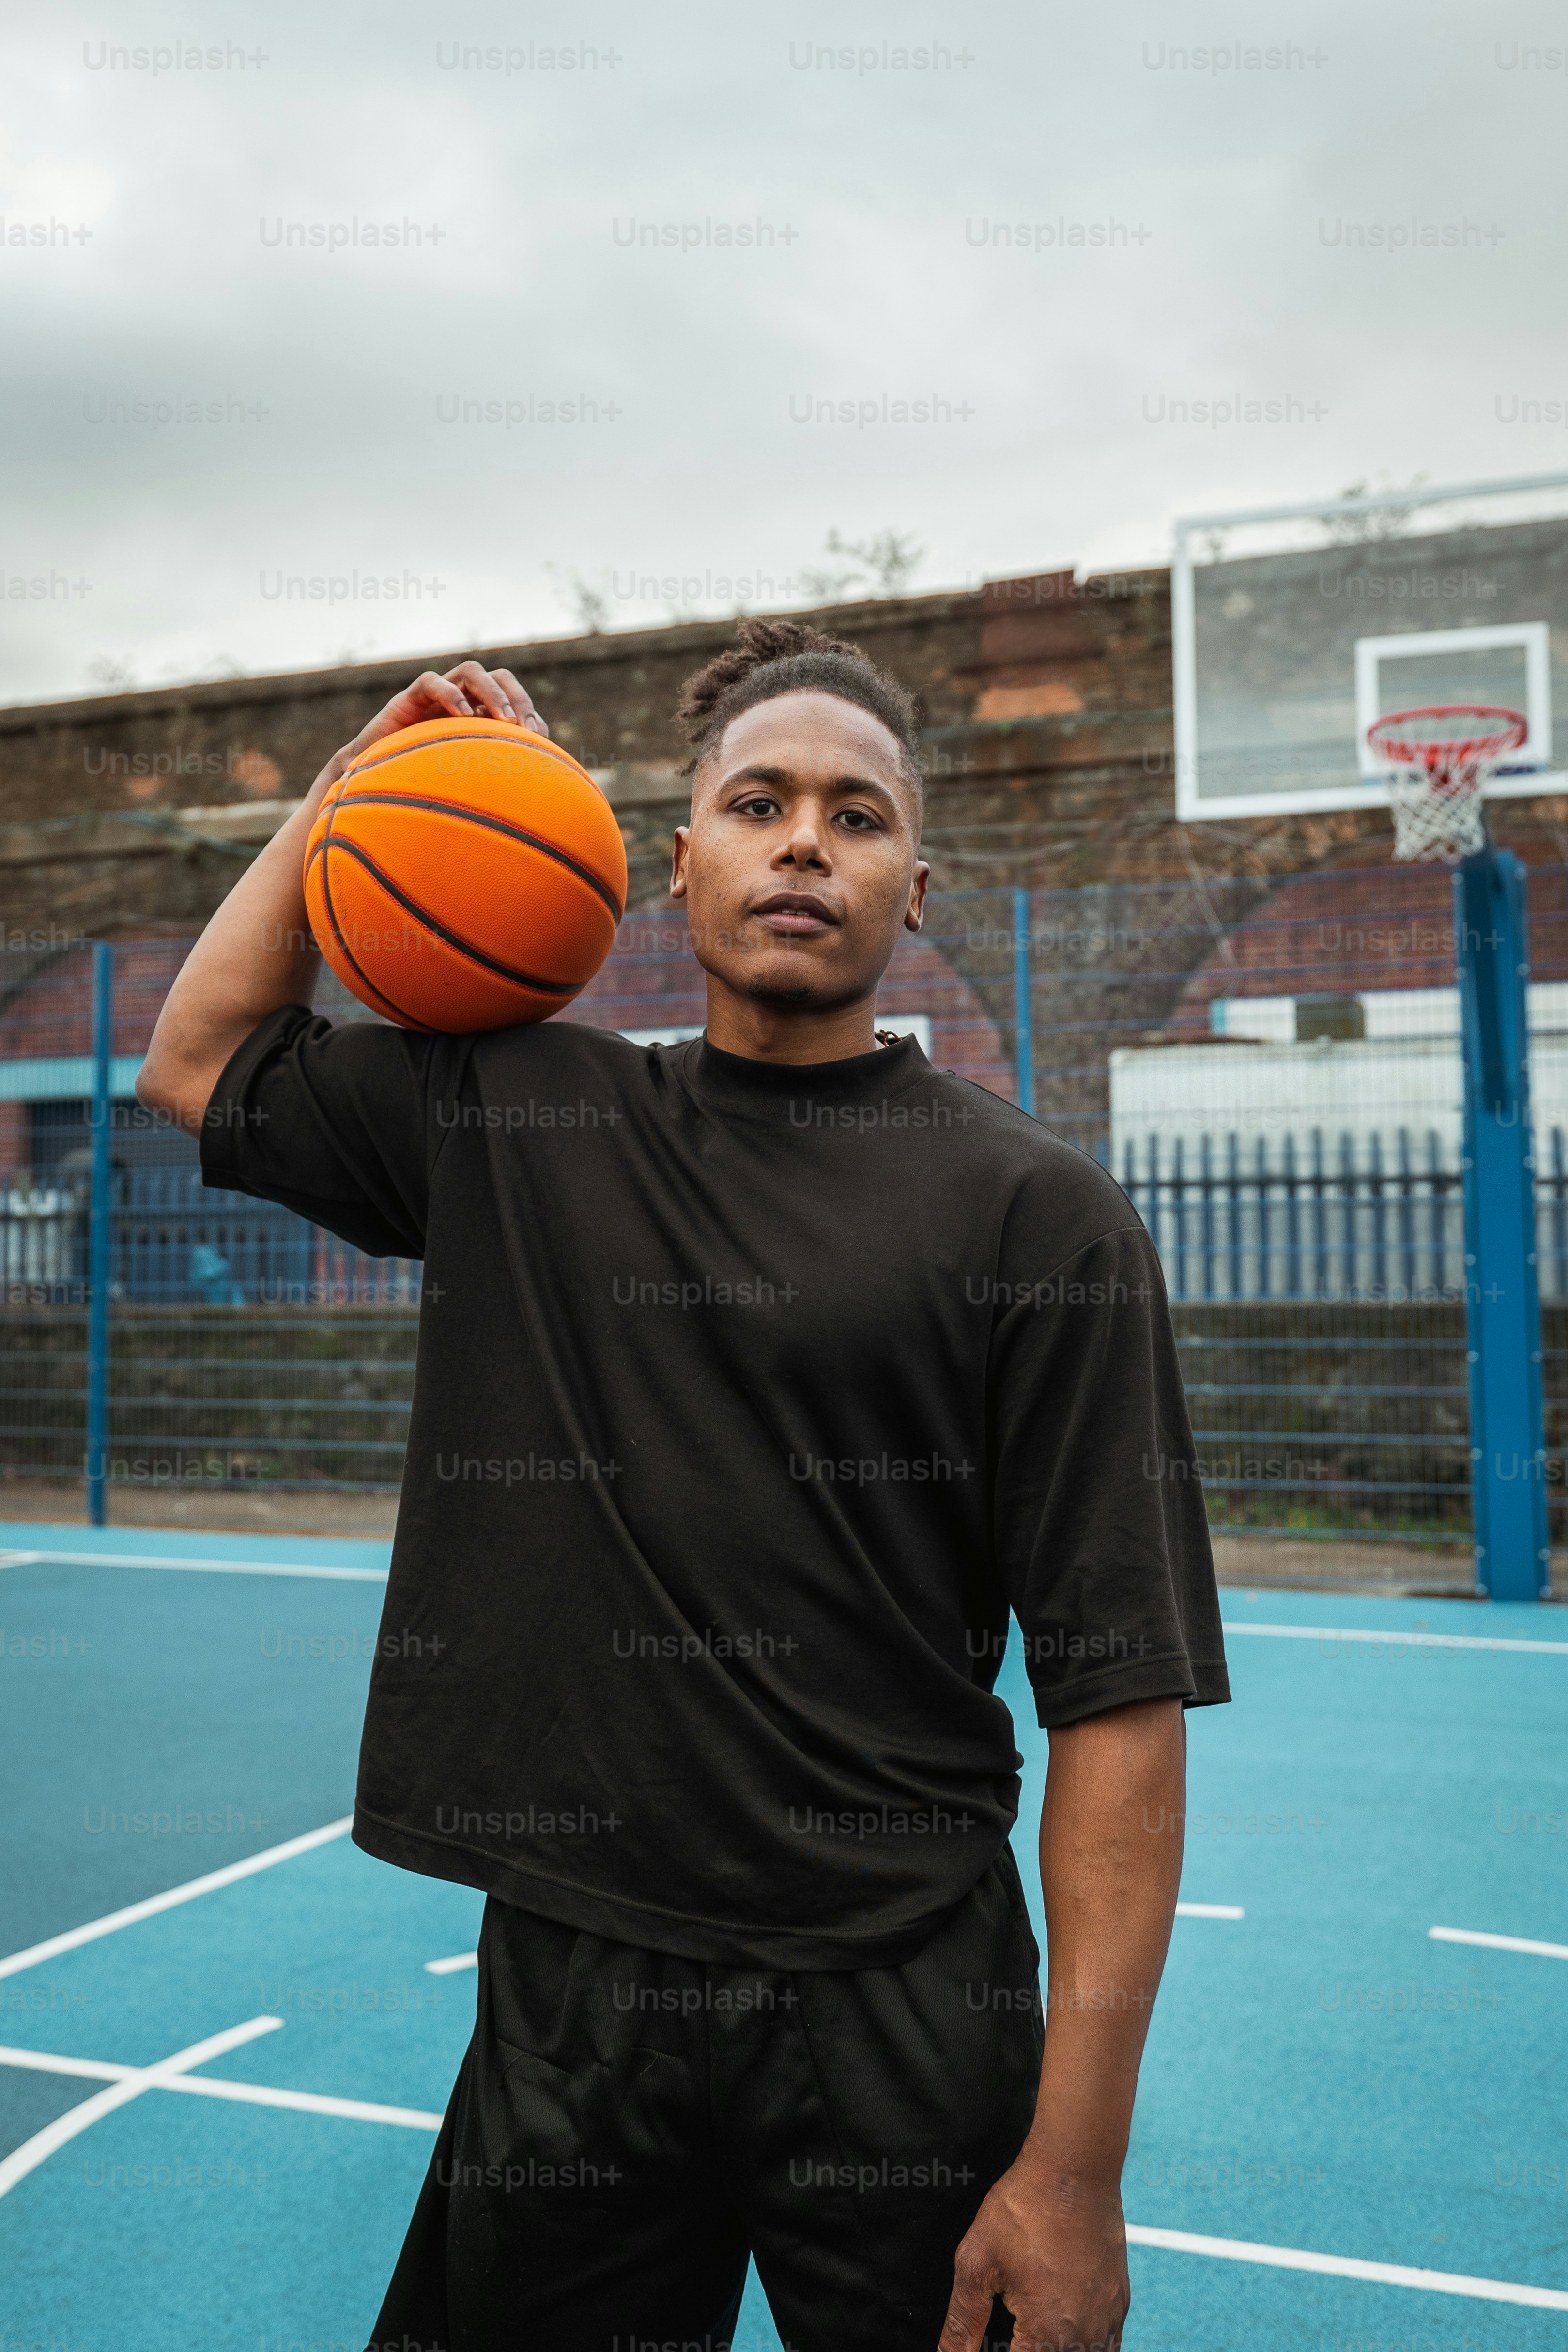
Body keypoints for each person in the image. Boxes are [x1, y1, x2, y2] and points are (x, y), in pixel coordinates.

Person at [138, 616, 1228, 2352]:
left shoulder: (1043, 1218)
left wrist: (1076, 2174)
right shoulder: (528, 1118)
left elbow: (1123, 1707)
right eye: (760, 800)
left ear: (918, 885)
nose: (806, 838)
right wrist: (363, 785)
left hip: (902, 1993)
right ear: (674, 863)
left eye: (857, 815)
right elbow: (195, 1059)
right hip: (578, 1986)